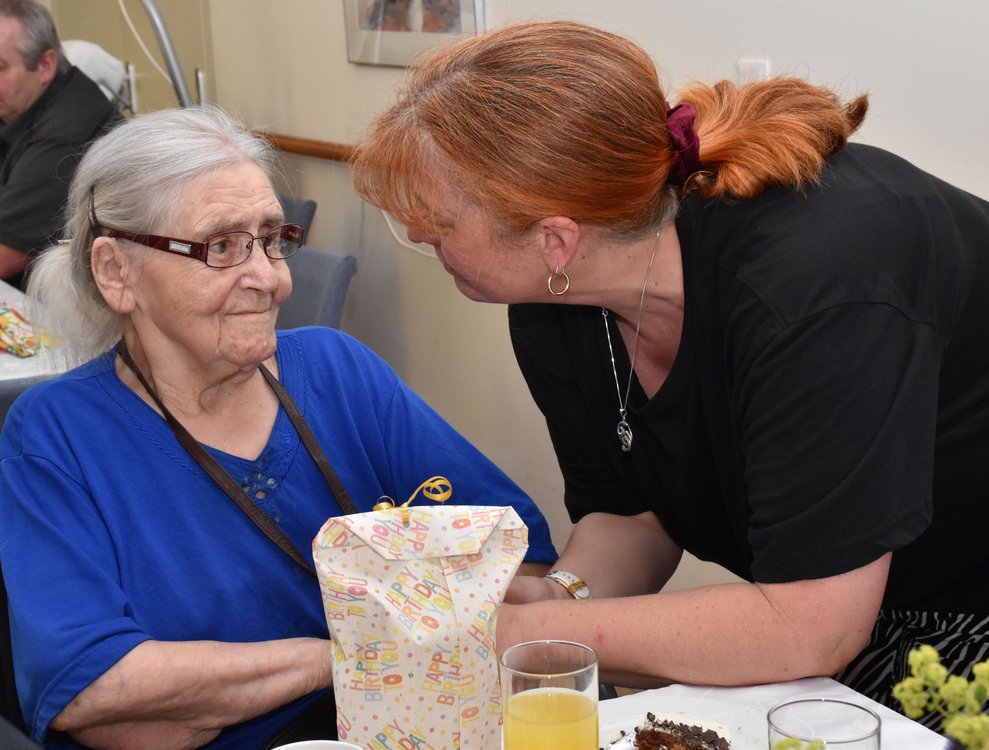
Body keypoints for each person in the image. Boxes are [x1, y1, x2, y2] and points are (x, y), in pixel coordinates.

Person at [348, 18, 989, 720]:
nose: (416, 234)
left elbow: (810, 626)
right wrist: (563, 594)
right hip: (855, 611)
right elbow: (632, 513)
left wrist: (508, 634)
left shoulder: (814, 285)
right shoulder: (557, 305)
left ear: (555, 239)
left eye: (437, 223)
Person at [0, 105, 556, 749]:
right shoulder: (59, 434)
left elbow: (517, 559)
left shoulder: (335, 368)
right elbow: (93, 689)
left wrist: (192, 695)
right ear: (116, 272)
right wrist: (348, 654)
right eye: (222, 246)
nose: (270, 278)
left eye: (271, 240)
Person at [0, 0, 121, 289]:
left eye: (0, 67)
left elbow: (7, 254)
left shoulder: (66, 127)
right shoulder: (15, 106)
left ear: (45, 66)